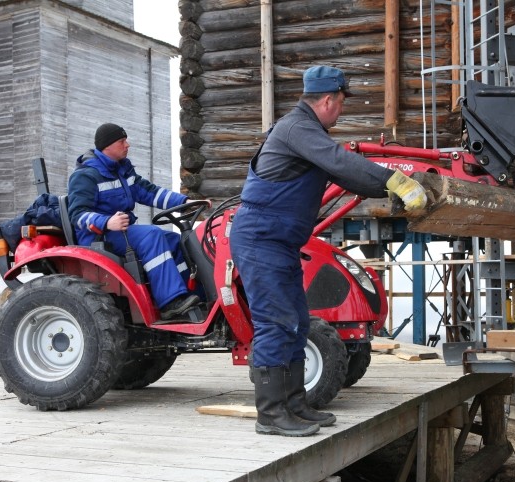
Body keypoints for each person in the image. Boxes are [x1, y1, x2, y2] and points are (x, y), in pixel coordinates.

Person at [229, 66, 428, 437]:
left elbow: (348, 175)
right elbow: (341, 162)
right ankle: (271, 414)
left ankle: (295, 403)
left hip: (280, 242)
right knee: (276, 322)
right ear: (327, 100)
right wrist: (393, 179)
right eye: (340, 104)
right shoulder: (297, 129)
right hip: (261, 239)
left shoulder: (306, 134)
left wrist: (389, 188)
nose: (341, 112)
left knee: (298, 321)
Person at [68, 123, 200, 320]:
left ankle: (192, 296)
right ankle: (171, 302)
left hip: (121, 232)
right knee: (152, 235)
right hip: (98, 237)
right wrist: (106, 222)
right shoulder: (85, 176)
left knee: (174, 240)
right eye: (122, 141)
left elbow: (149, 192)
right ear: (107, 146)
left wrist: (185, 202)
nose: (127, 145)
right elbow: (77, 214)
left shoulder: (122, 171)